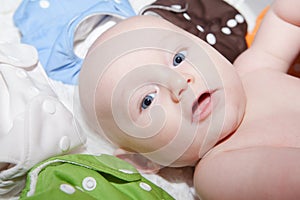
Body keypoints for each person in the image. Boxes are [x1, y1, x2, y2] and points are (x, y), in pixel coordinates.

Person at [78, 0, 300, 199]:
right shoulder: (216, 172)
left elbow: (285, 18)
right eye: (147, 100)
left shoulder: (253, 69)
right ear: (143, 160)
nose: (180, 82)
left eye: (178, 59)